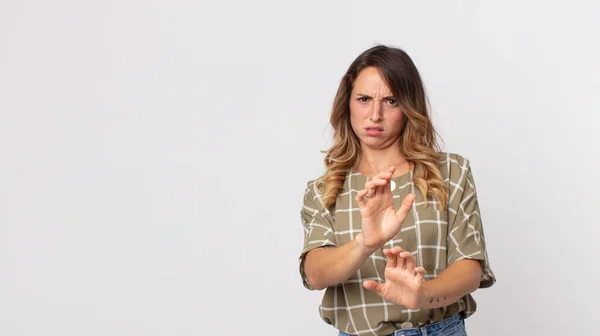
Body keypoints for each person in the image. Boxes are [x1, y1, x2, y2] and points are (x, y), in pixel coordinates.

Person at [298, 45, 496, 336]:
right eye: (364, 99)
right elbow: (315, 274)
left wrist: (422, 296)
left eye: (390, 101)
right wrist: (364, 243)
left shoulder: (450, 173)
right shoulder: (325, 189)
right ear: (347, 104)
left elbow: (470, 266)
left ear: (408, 107)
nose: (375, 114)